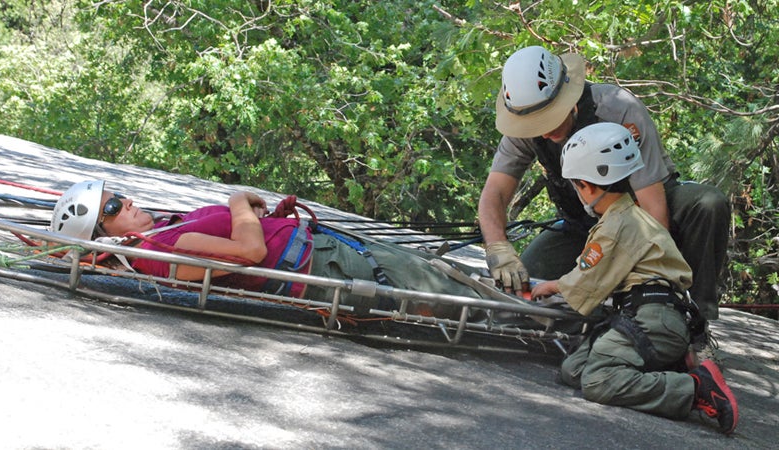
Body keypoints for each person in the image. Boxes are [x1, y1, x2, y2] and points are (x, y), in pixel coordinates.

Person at [479, 45, 730, 324]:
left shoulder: (618, 108)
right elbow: (496, 192)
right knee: (524, 293)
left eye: (549, 118)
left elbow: (654, 214)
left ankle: (691, 320)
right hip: (583, 225)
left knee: (708, 204)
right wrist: (498, 248)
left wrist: (634, 281)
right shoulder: (524, 123)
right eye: (535, 124)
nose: (543, 131)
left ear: (568, 98)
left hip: (642, 213)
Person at [530, 122, 738, 434]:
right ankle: (668, 365)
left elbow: (585, 284)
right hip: (650, 317)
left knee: (598, 381)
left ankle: (694, 388)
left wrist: (546, 286)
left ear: (586, 185)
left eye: (575, 185)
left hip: (654, 320)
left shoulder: (615, 228)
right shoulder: (631, 216)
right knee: (574, 369)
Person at [50, 180, 490, 319]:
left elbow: (248, 238)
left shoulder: (165, 226)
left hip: (327, 248)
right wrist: (239, 202)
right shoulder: (161, 250)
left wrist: (262, 215)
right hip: (330, 266)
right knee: (452, 290)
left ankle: (527, 296)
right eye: (112, 206)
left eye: (119, 195)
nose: (125, 200)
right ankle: (529, 311)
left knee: (443, 271)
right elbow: (249, 252)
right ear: (105, 234)